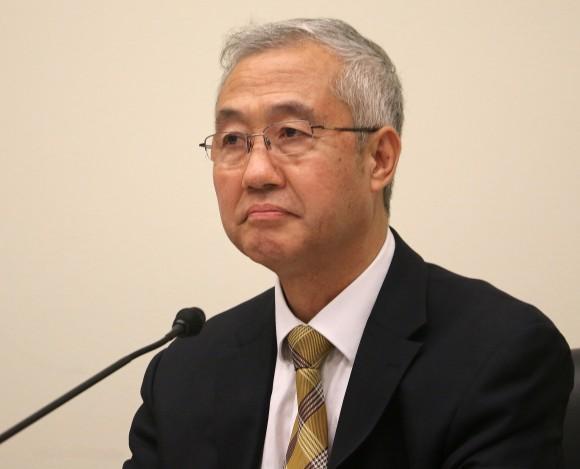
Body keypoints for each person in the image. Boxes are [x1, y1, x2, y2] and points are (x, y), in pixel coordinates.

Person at [123, 18, 573, 469]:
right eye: (234, 140)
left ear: (379, 159)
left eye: (291, 134)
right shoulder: (184, 373)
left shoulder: (500, 355)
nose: (256, 173)